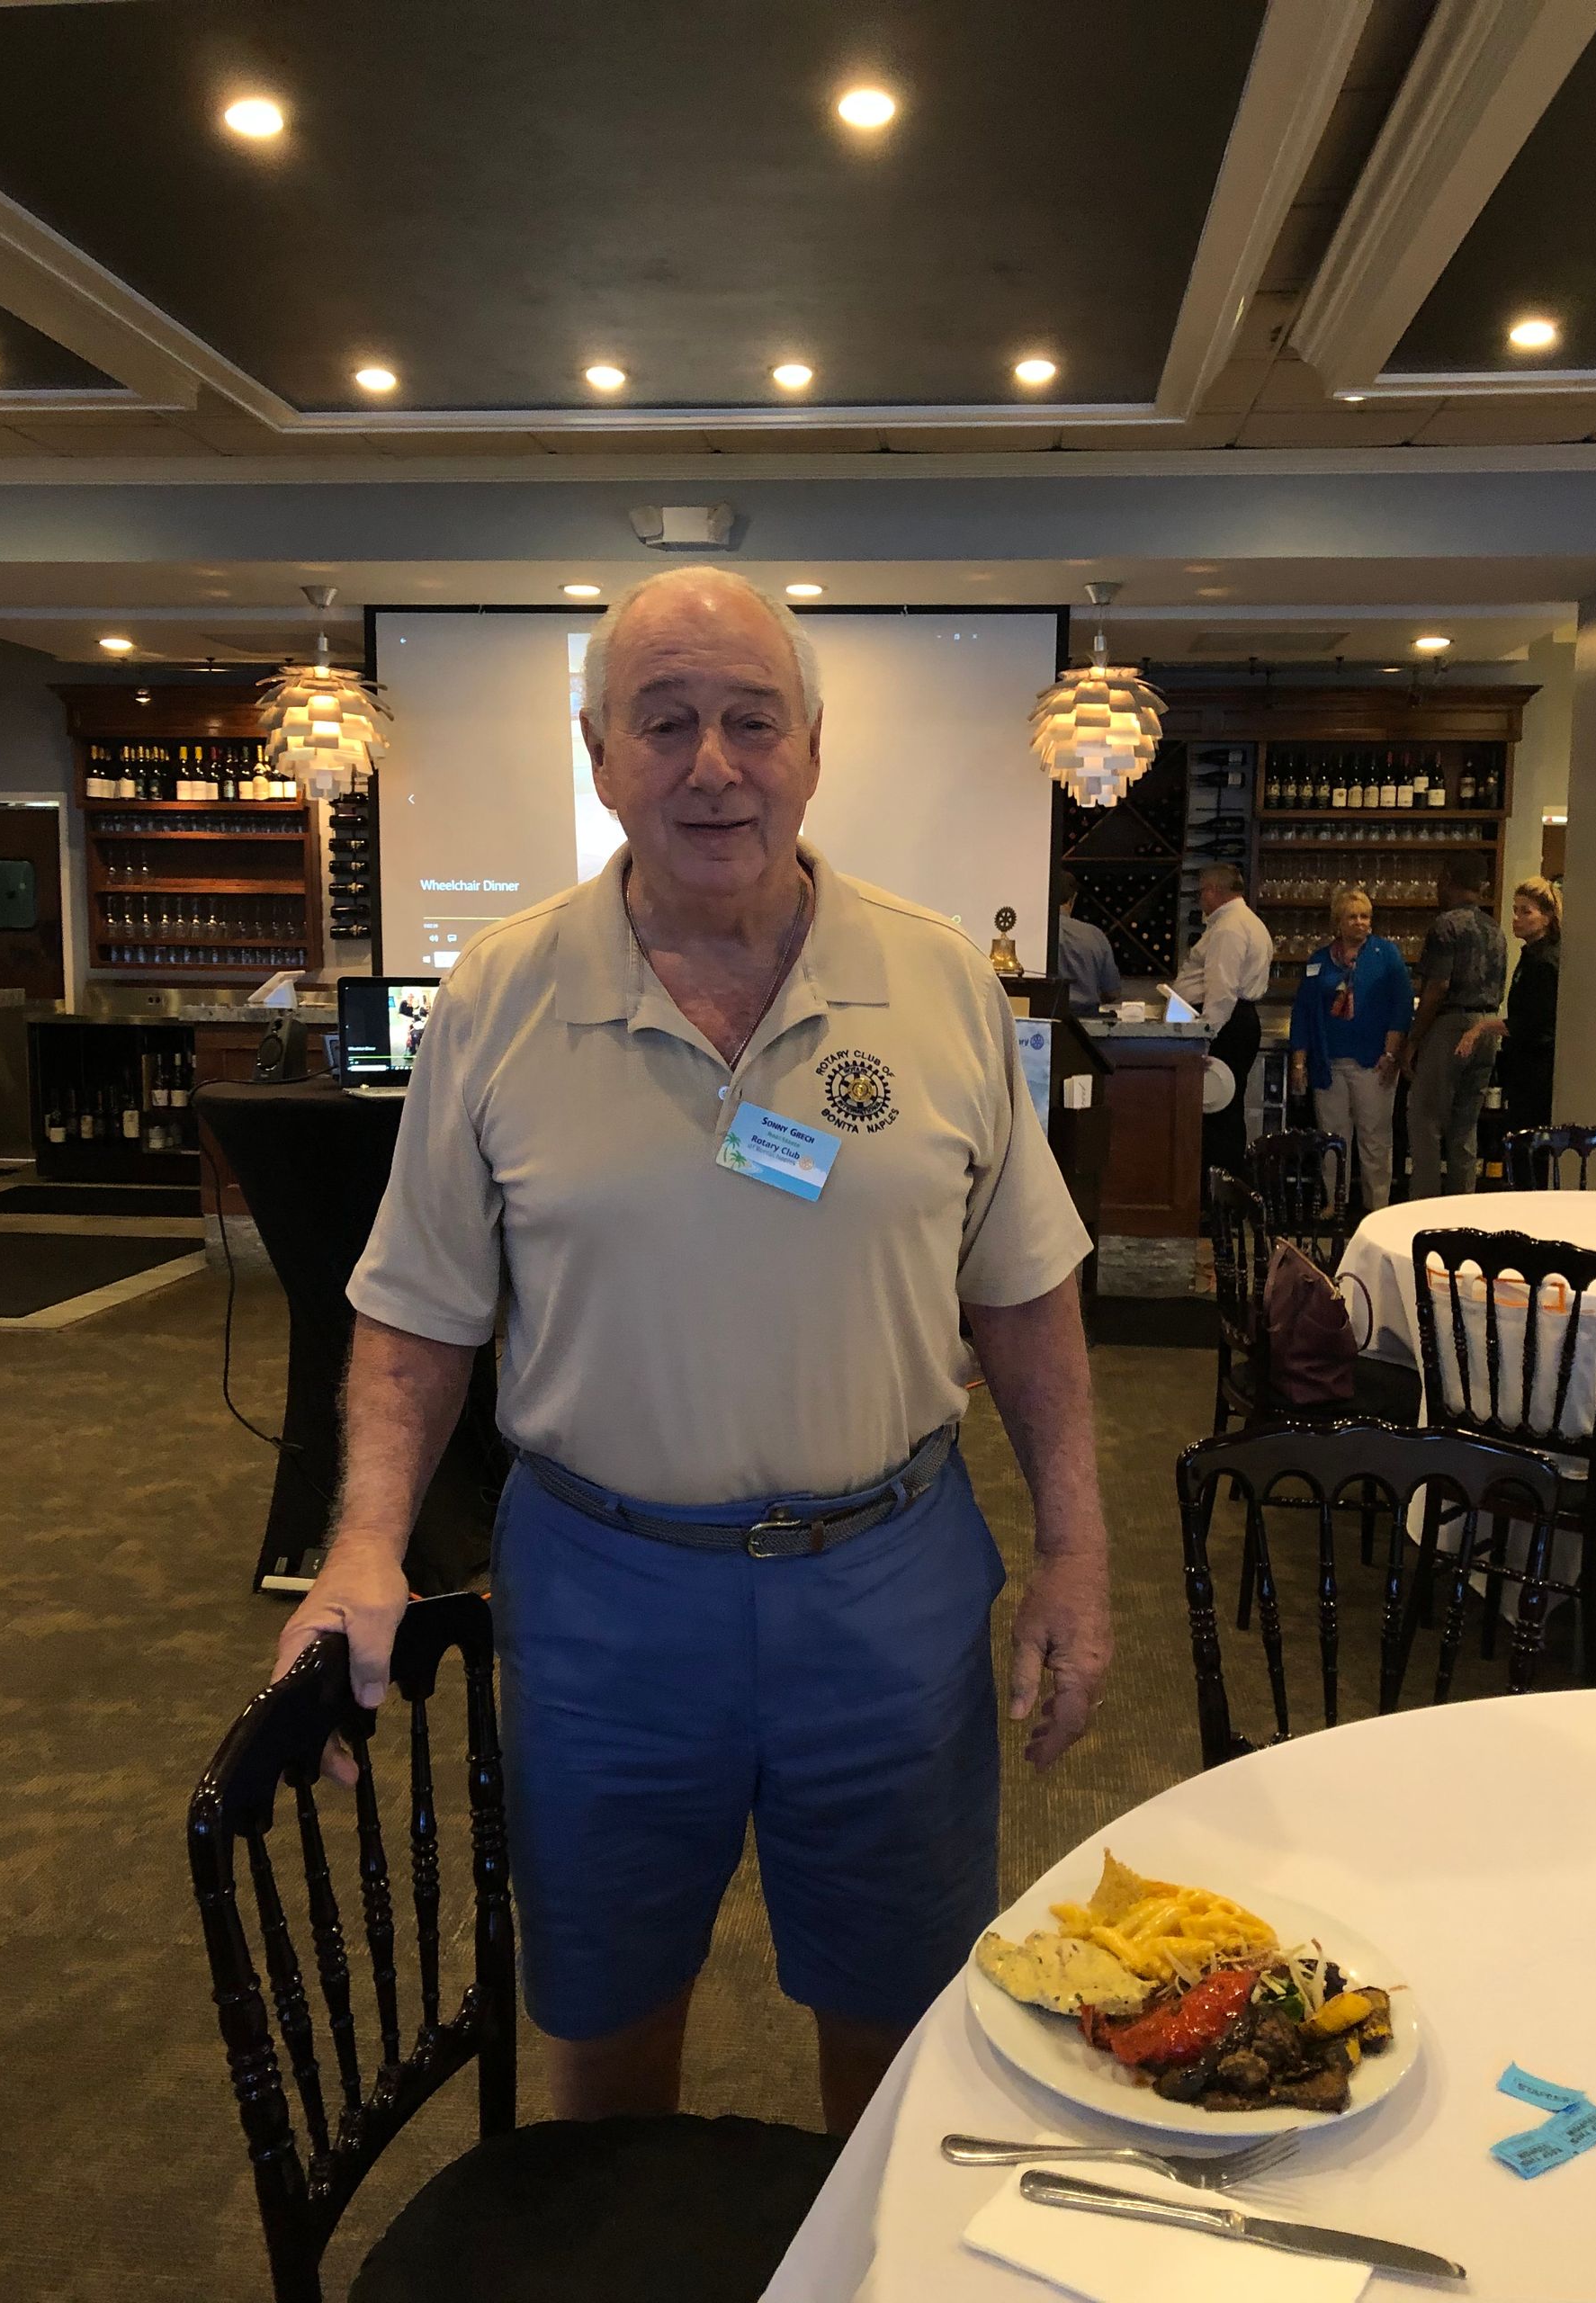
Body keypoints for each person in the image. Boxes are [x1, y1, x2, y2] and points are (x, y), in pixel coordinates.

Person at [269, 566, 1111, 2139]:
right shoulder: (501, 997)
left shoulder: (934, 981)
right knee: (603, 2011)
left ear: (811, 748)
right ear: (600, 758)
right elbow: (416, 1314)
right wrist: (364, 1544)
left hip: (888, 1585)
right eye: (664, 724)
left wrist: (1075, 1546)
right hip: (603, 1599)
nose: (711, 764)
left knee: (902, 2017)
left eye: (749, 720)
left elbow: (1026, 1293)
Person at [1288, 886, 1413, 1212]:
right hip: (1328, 1063)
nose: (1361, 923)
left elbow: (1402, 1008)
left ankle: (1378, 1207)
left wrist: (1391, 1054)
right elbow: (1302, 1011)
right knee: (1332, 1138)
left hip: (1373, 1061)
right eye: (1353, 917)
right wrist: (1299, 1062)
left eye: (1366, 917)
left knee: (1374, 1138)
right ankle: (1336, 1201)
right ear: (1338, 922)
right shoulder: (1319, 961)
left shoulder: (1386, 955)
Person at [1401, 857, 1508, 1198]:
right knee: (1465, 1126)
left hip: (1452, 1025)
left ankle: (1424, 1209)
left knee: (1426, 1120)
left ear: (1446, 879)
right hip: (1487, 1027)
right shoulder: (1495, 929)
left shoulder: (1446, 925)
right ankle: (1462, 1209)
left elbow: (1438, 987)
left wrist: (1414, 1039)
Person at [1171, 861, 1273, 1185]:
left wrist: (1205, 1036)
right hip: (1238, 1022)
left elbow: (1222, 989)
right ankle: (1225, 1195)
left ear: (1214, 890)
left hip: (1226, 1025)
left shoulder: (1229, 928)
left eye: (1202, 891)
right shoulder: (1248, 922)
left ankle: (1213, 1199)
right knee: (1225, 1110)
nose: (1200, 899)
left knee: (1216, 1112)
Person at [1455, 876, 1562, 1133]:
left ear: (1547, 917)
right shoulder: (1532, 956)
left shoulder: (1544, 962)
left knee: (1529, 1138)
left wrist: (1482, 1027)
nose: (1517, 918)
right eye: (1515, 911)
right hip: (1526, 1064)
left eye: (1527, 912)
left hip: (1537, 1067)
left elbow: (1533, 1024)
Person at [1054, 868, 1121, 1015]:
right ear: (1073, 898)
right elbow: (1112, 993)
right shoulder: (1095, 935)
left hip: (1041, 1019)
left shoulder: (1035, 936)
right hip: (1085, 1023)